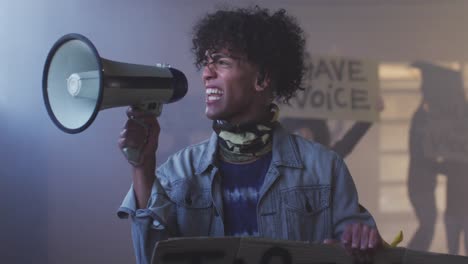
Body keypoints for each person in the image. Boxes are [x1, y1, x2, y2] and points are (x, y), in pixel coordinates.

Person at [117, 6, 382, 264]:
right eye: (206, 62)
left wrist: (361, 242)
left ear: (262, 78)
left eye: (221, 62)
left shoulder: (326, 168)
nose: (206, 74)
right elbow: (149, 257)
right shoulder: (176, 173)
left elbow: (360, 246)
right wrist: (142, 166)